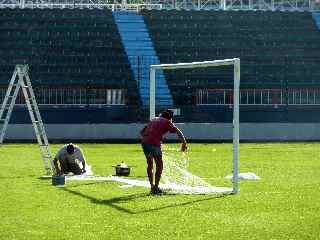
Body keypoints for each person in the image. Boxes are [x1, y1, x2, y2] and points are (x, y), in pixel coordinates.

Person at [140, 109, 187, 194]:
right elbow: (178, 131)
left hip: (144, 143)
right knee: (159, 165)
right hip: (154, 144)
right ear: (170, 118)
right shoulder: (167, 121)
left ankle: (152, 186)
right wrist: (184, 143)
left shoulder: (154, 119)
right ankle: (156, 187)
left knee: (150, 164)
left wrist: (154, 135)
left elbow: (142, 132)